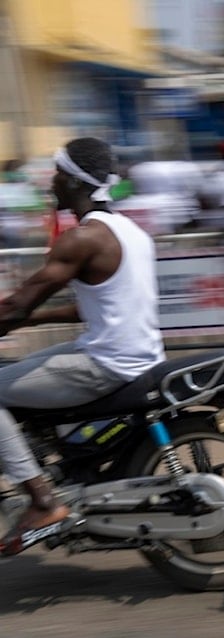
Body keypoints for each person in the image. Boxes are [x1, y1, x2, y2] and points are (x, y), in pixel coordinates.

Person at [0, 137, 165, 556]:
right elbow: (89, 308)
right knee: (14, 373)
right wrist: (28, 320)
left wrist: (17, 316)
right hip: (137, 357)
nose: (50, 182)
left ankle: (41, 501)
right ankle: (59, 467)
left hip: (107, 364)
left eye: (56, 173)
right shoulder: (131, 232)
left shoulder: (82, 239)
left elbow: (18, 302)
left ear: (73, 181)